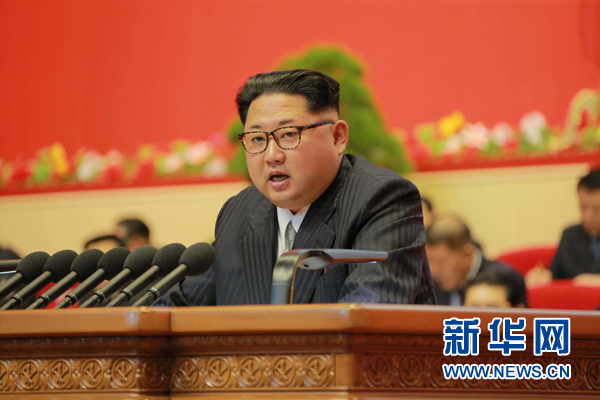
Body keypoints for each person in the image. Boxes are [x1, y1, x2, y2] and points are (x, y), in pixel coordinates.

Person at [154, 69, 435, 306]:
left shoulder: (380, 199)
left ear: (338, 137)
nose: (272, 155)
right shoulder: (239, 212)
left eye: (288, 134)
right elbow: (181, 307)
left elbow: (366, 316)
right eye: (257, 139)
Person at [526, 168, 600, 287]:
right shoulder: (570, 235)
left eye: (596, 209)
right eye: (583, 207)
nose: (588, 216)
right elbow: (554, 274)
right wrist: (542, 277)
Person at [426, 215, 516, 305]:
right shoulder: (433, 283)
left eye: (441, 262)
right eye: (429, 261)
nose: (433, 271)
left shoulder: (505, 278)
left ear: (467, 254)